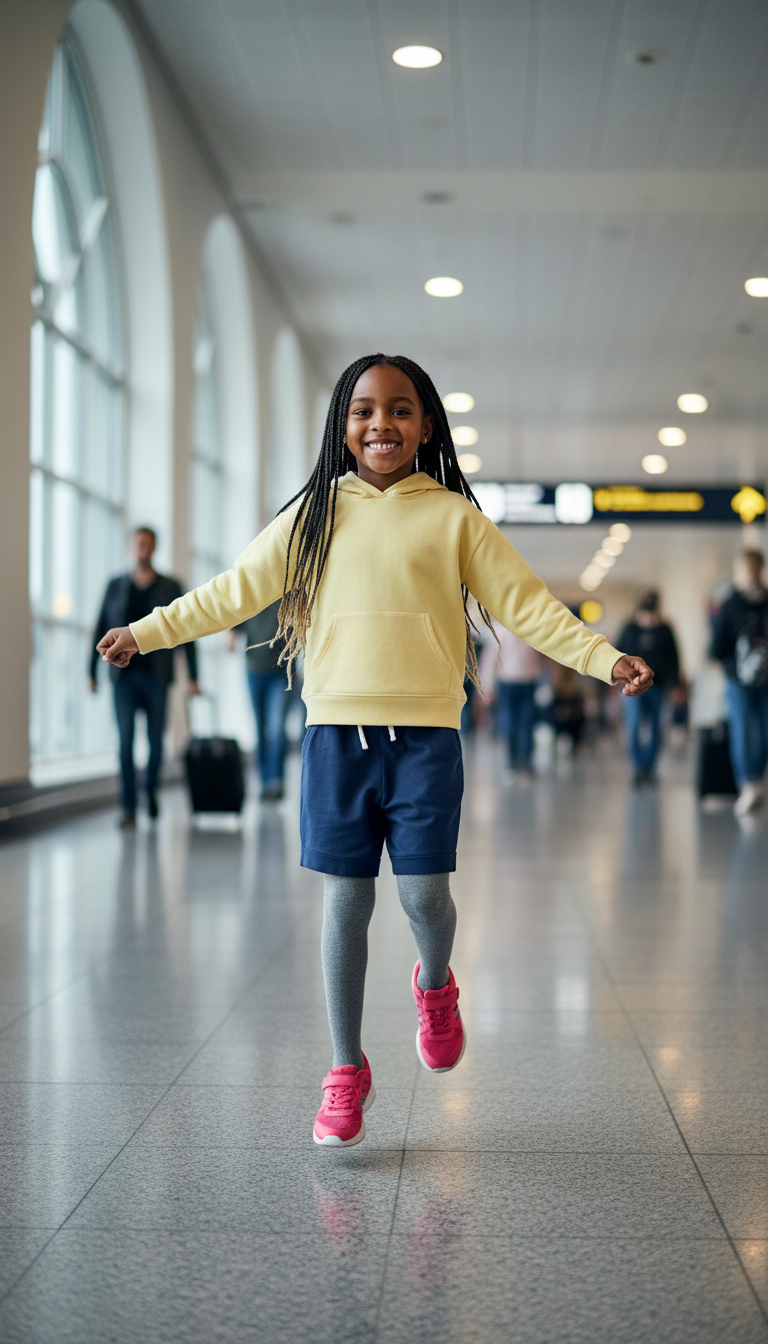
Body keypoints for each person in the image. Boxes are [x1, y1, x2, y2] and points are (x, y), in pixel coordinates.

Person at [95, 355, 653, 1147]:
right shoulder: (314, 516)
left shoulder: (454, 517)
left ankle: (434, 986)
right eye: (363, 410)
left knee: (425, 897)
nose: (380, 424)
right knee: (346, 905)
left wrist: (605, 658)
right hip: (335, 738)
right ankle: (345, 1069)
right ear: (342, 424)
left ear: (425, 425)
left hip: (427, 739)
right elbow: (231, 591)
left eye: (399, 409)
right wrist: (145, 633)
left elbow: (529, 606)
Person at [90, 526, 200, 828]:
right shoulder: (115, 586)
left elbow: (186, 631)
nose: (143, 548)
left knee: (155, 744)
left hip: (157, 677)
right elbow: (100, 626)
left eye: (148, 544)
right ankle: (128, 807)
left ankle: (149, 792)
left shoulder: (170, 586)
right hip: (123, 679)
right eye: (139, 543)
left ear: (154, 548)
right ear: (131, 547)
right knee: (125, 743)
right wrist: (92, 671)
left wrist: (193, 676)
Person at [710, 548, 768, 816]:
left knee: (764, 731)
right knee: (742, 731)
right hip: (739, 681)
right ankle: (748, 783)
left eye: (755, 568)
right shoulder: (731, 605)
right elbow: (716, 646)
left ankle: (757, 776)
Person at [618, 590, 680, 787]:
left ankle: (650, 768)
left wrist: (675, 683)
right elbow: (618, 653)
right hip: (632, 685)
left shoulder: (664, 629)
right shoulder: (629, 628)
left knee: (655, 726)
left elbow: (674, 657)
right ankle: (638, 768)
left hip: (658, 685)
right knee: (634, 725)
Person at [228, 600, 289, 801]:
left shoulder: (286, 593)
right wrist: (230, 637)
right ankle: (264, 782)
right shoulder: (250, 593)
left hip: (281, 673)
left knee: (277, 727)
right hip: (254, 670)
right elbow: (234, 626)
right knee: (260, 728)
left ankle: (276, 780)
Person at [480, 622, 542, 778]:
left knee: (510, 721)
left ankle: (512, 764)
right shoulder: (530, 631)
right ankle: (525, 763)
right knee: (525, 722)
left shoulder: (500, 632)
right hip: (528, 680)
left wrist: (487, 686)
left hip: (508, 681)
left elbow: (489, 661)